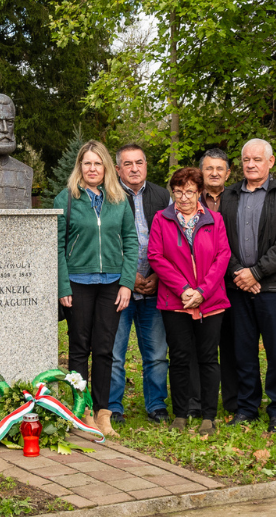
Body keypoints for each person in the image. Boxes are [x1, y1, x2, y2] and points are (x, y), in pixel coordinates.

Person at [219, 139, 276, 433]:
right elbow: (220, 241)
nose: (251, 164)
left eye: (257, 159)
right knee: (242, 350)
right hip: (238, 286)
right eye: (246, 160)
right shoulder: (229, 195)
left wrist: (256, 272)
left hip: (275, 287)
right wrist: (239, 274)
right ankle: (247, 406)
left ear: (270, 163)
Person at [54, 140, 138, 437]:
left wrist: (127, 283)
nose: (92, 168)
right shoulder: (66, 198)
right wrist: (63, 285)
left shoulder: (119, 200)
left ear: (106, 169)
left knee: (105, 350)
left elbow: (131, 241)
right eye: (87, 163)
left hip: (112, 284)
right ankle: (82, 411)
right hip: (77, 283)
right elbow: (57, 246)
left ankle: (103, 413)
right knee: (79, 349)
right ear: (80, 167)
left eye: (98, 163)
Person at [147, 167, 231, 435]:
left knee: (208, 358)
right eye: (178, 192)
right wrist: (183, 289)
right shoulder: (162, 219)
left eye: (190, 192)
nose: (184, 198)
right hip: (175, 301)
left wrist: (202, 292)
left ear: (200, 193)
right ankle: (180, 414)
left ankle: (209, 416)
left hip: (210, 301)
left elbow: (223, 257)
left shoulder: (215, 220)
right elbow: (156, 256)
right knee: (180, 357)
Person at [109, 143, 172, 425]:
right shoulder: (108, 195)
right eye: (128, 163)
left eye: (139, 163)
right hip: (119, 288)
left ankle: (157, 405)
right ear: (118, 168)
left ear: (146, 165)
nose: (134, 169)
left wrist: (158, 275)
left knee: (157, 354)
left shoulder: (162, 195)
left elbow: (173, 239)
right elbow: (107, 242)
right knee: (115, 354)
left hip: (155, 287)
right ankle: (112, 407)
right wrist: (128, 276)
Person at [199, 148, 239, 415]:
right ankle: (198, 399)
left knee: (233, 343)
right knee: (200, 346)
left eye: (219, 168)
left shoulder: (238, 196)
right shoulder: (189, 198)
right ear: (201, 171)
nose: (214, 173)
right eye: (208, 168)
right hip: (200, 284)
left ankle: (234, 401)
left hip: (234, 280)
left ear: (228, 172)